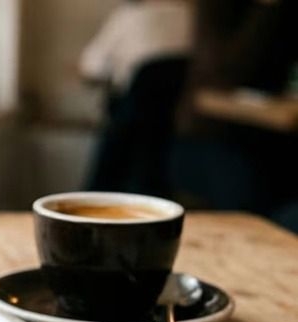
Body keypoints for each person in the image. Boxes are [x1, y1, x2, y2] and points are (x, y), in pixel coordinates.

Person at [170, 0, 298, 232]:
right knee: (264, 208)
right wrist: (267, 8)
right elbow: (228, 70)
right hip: (212, 138)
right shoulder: (217, 7)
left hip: (276, 140)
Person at [79, 0, 192, 196]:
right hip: (177, 128)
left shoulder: (129, 16)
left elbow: (91, 68)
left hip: (130, 125)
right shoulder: (191, 16)